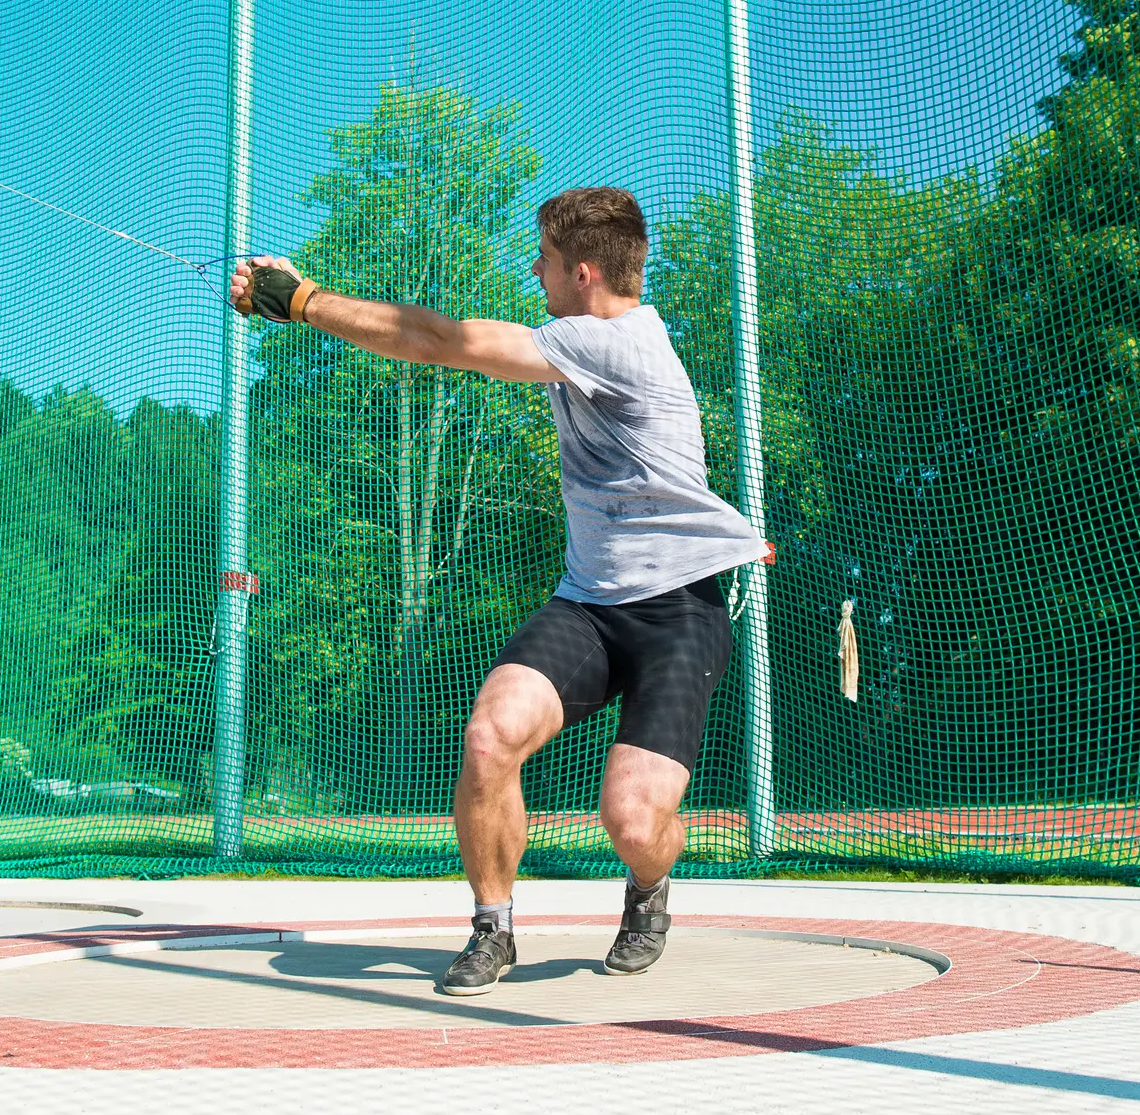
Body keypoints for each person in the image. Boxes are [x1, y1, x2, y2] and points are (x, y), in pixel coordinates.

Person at [230, 186, 766, 995]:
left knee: (631, 819)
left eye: (544, 260)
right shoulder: (589, 334)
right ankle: (492, 926)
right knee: (488, 739)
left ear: (583, 272)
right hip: (588, 602)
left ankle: (650, 887)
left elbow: (440, 339)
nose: (535, 272)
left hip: (677, 610)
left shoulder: (612, 342)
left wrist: (302, 301)